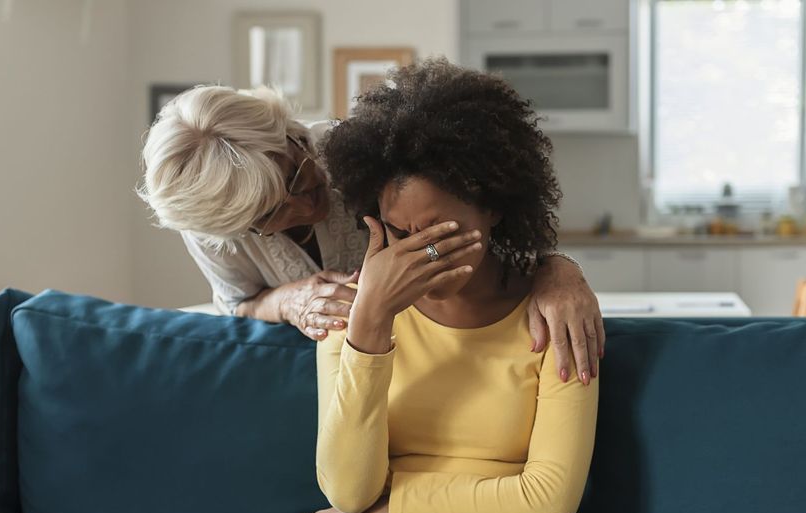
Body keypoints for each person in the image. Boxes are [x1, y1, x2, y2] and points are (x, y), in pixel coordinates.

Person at [95, 58, 634, 513]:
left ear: (493, 205)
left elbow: (546, 503)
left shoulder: (554, 322)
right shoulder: (346, 315)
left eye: (439, 233)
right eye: (400, 234)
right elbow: (348, 489)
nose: (421, 254)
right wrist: (369, 325)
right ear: (376, 221)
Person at [138, 81, 604, 385]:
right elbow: (237, 304)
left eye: (297, 175)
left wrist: (557, 270)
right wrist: (288, 301)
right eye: (271, 214)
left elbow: (485, 235)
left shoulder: (365, 152)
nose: (305, 205)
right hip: (337, 373)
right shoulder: (215, 230)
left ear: (289, 133)